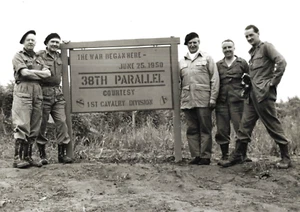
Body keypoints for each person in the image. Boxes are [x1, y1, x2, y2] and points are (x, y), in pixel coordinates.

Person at [220, 25, 292, 169]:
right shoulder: (253, 53)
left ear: (258, 34)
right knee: (244, 127)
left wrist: (272, 83)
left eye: (251, 35)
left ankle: (286, 157)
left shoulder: (266, 47)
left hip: (264, 95)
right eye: (246, 36)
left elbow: (281, 62)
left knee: (272, 125)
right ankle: (237, 156)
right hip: (251, 96)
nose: (249, 38)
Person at [12, 30, 51, 168]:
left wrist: (32, 73)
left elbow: (48, 74)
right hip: (23, 90)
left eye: (33, 40)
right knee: (22, 124)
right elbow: (24, 72)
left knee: (35, 125)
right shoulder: (18, 56)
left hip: (37, 92)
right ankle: (18, 159)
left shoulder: (39, 58)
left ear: (35, 42)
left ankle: (28, 157)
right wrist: (39, 73)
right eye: (28, 40)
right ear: (23, 42)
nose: (30, 42)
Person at [179, 32, 220, 165]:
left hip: (204, 100)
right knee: (192, 129)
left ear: (199, 42)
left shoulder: (207, 58)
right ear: (187, 45)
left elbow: (215, 79)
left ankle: (205, 156)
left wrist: (213, 98)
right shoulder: (181, 62)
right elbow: (178, 83)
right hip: (187, 100)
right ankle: (195, 155)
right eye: (190, 43)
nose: (192, 45)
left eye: (194, 42)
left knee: (205, 128)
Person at [36, 33, 72, 164]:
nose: (55, 44)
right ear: (46, 43)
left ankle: (61, 155)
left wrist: (69, 45)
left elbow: (73, 59)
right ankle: (42, 155)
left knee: (62, 122)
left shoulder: (60, 55)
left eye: (57, 42)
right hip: (43, 91)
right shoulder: (39, 55)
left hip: (58, 93)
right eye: (52, 42)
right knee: (42, 124)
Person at [215, 39, 250, 165]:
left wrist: (245, 94)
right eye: (225, 48)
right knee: (222, 129)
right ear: (222, 50)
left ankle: (242, 155)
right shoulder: (218, 65)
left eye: (229, 47)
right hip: (222, 101)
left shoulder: (242, 63)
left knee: (241, 128)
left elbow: (249, 80)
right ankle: (225, 155)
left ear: (234, 48)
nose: (227, 49)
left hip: (238, 102)